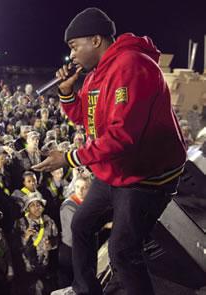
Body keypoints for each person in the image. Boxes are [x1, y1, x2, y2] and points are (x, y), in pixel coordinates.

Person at [31, 7, 187, 295]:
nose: (72, 55)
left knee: (123, 252)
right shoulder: (95, 75)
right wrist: (67, 93)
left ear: (95, 40)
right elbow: (85, 118)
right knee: (81, 225)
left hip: (145, 177)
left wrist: (67, 159)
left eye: (74, 46)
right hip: (116, 169)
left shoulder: (132, 65)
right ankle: (85, 289)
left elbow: (123, 136)